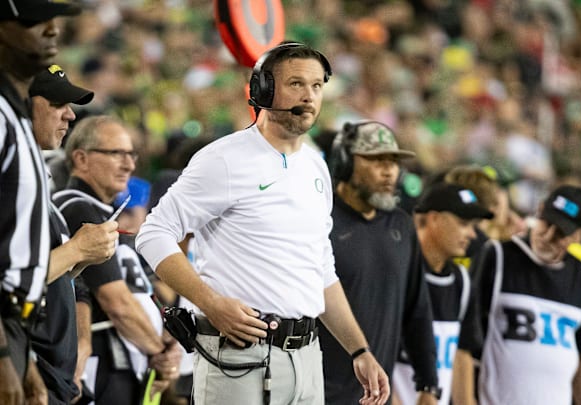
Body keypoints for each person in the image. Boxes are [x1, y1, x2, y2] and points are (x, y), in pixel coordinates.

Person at [136, 42, 390, 405]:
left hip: (307, 357)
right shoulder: (223, 159)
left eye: (317, 86)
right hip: (239, 358)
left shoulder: (316, 165)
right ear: (263, 89)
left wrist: (359, 350)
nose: (309, 96)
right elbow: (153, 233)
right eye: (296, 84)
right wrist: (211, 303)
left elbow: (320, 268)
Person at [52, 115, 180, 405]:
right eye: (116, 154)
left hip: (125, 362)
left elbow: (137, 292)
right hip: (101, 366)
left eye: (131, 154)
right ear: (81, 159)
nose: (129, 165)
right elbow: (116, 302)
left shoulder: (104, 212)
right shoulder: (78, 208)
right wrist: (159, 351)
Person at [323, 120, 438, 405]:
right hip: (318, 393)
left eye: (393, 162)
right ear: (346, 163)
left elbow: (417, 310)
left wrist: (428, 382)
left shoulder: (401, 225)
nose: (389, 171)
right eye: (376, 160)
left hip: (375, 397)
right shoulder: (321, 220)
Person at [0, 2, 81, 404]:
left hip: (26, 347)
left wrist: (25, 359)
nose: (52, 29)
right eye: (34, 20)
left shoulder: (21, 136)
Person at [28, 64, 121, 404]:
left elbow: (42, 271)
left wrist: (81, 258)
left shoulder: (38, 176)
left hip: (52, 372)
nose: (69, 115)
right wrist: (78, 249)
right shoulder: (12, 181)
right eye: (56, 104)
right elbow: (12, 280)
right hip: (27, 370)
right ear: (23, 104)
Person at [454, 184, 581, 405]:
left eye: (561, 232)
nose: (548, 235)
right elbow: (462, 343)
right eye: (546, 222)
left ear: (580, 235)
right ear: (538, 210)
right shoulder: (497, 257)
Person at [393, 183, 493, 405]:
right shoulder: (397, 271)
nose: (472, 234)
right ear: (434, 219)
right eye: (463, 223)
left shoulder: (462, 282)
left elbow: (461, 355)